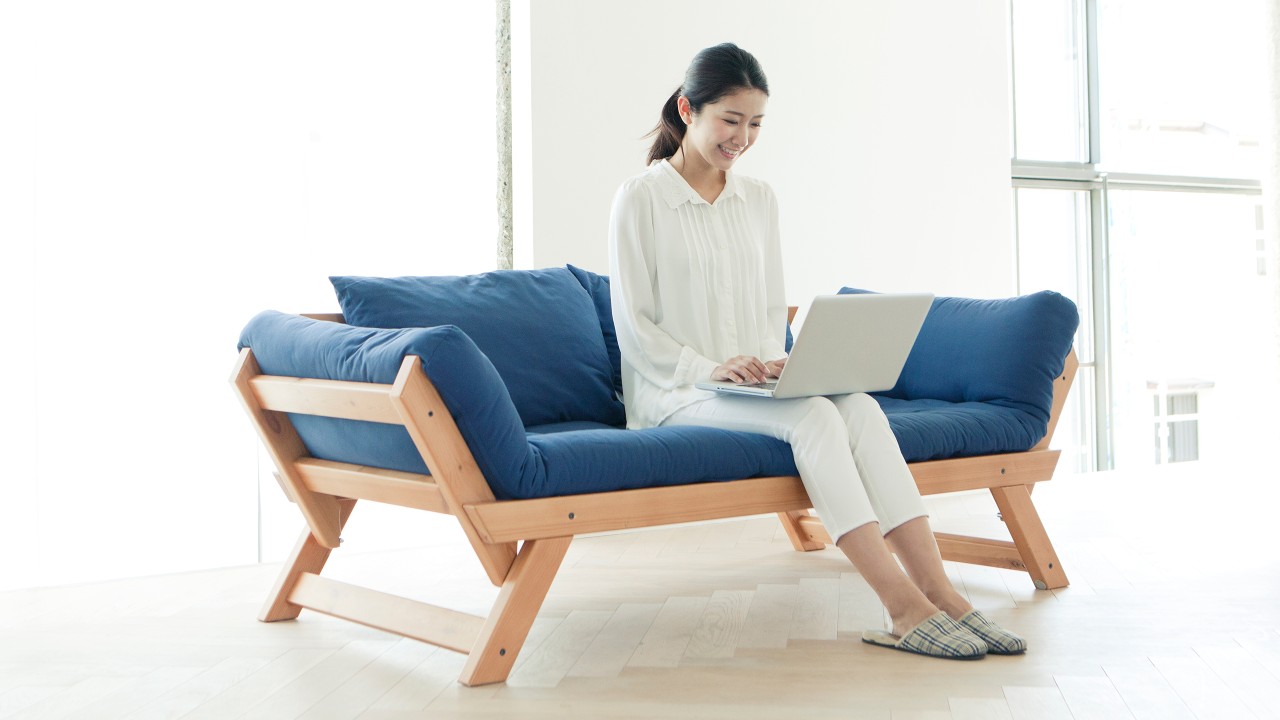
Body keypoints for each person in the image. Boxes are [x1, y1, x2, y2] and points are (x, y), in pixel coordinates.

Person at [607, 43, 1025, 660]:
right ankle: (903, 608)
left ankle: (944, 596)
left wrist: (774, 359)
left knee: (857, 406)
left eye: (755, 124)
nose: (742, 138)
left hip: (748, 386)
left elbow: (768, 307)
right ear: (687, 109)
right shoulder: (640, 198)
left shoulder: (760, 200)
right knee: (814, 417)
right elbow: (634, 327)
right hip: (675, 392)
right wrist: (710, 367)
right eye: (730, 119)